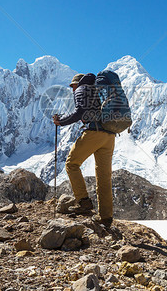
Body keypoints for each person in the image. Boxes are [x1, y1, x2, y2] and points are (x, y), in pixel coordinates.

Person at [53, 73, 115, 227]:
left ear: (76, 83)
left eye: (72, 86)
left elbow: (79, 112)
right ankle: (106, 217)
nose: (72, 90)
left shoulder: (82, 89)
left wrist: (61, 122)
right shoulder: (97, 90)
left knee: (71, 164)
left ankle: (84, 202)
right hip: (109, 136)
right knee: (103, 177)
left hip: (94, 133)